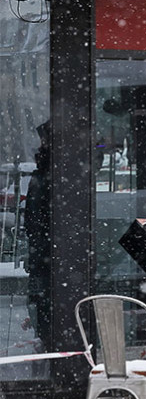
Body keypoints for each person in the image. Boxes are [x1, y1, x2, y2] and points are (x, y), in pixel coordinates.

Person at [22, 121, 52, 351]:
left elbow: (33, 221)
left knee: (43, 306)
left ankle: (46, 342)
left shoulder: (43, 174)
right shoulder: (45, 174)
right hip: (46, 253)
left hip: (44, 253)